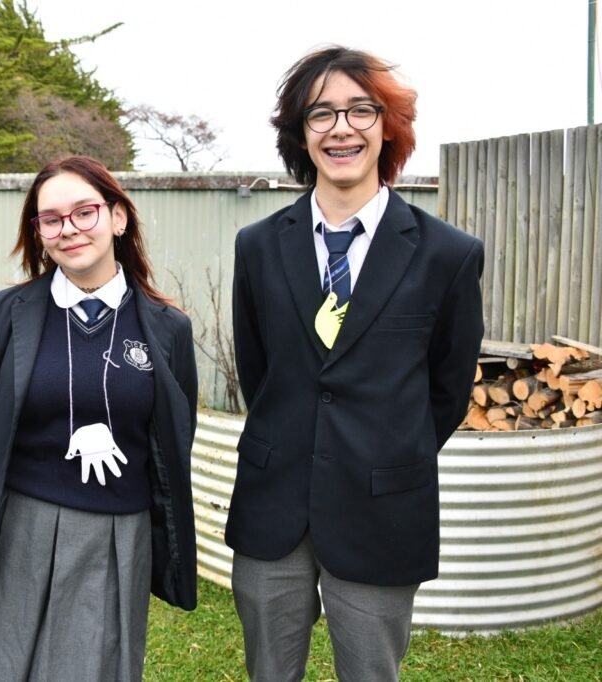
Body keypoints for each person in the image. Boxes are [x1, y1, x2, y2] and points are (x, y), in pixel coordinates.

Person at [227, 46, 484, 681]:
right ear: (301, 133)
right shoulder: (257, 246)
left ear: (388, 126)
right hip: (273, 504)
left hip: (382, 510)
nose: (341, 128)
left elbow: (447, 390)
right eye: (321, 114)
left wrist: (387, 450)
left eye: (361, 110)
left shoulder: (447, 254)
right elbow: (261, 372)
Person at [0, 155, 198, 681]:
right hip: (22, 525)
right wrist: (40, 463)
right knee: (4, 666)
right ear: (37, 232)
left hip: (117, 534)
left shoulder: (167, 327)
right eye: (51, 219)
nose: (70, 229)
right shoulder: (4, 313)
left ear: (118, 217)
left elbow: (174, 436)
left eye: (85, 212)